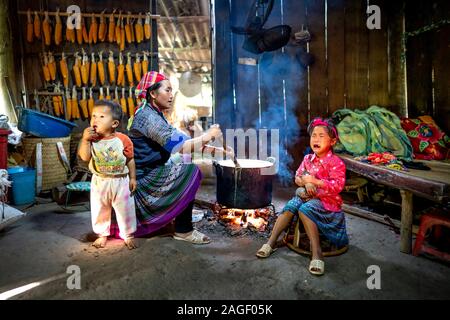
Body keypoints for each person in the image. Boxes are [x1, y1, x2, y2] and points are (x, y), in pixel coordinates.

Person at [127, 71, 233, 244]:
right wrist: (209, 135)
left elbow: (183, 143)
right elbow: (181, 147)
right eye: (167, 90)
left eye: (171, 90)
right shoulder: (147, 117)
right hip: (143, 179)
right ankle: (183, 230)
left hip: (152, 169)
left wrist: (219, 152)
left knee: (184, 161)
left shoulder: (154, 114)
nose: (171, 95)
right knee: (190, 171)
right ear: (153, 94)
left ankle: (175, 214)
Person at [256, 117, 348, 276]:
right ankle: (271, 242)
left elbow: (337, 187)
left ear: (332, 142)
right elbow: (298, 178)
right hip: (307, 195)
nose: (316, 139)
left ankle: (317, 252)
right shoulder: (307, 159)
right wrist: (306, 183)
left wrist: (314, 181)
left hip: (327, 202)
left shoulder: (336, 163)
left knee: (305, 209)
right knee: (290, 206)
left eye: (321, 136)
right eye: (313, 135)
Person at [78, 100, 138, 250]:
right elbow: (85, 158)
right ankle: (101, 234)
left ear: (115, 123)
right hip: (100, 181)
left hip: (121, 181)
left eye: (101, 116)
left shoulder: (123, 140)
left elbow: (130, 160)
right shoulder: (91, 139)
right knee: (100, 209)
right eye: (93, 116)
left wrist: (133, 178)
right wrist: (84, 140)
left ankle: (128, 234)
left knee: (126, 208)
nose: (95, 120)